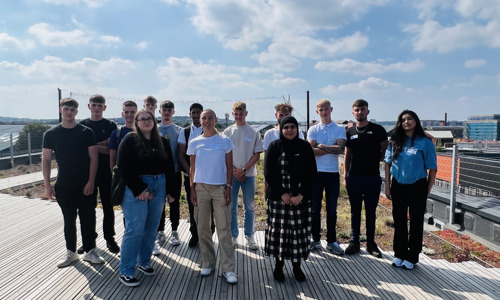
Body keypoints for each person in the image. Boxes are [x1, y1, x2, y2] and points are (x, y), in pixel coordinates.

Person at [42, 98, 104, 268]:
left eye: (72, 110)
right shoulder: (51, 134)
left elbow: (94, 158)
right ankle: (71, 253)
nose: (69, 112)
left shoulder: (86, 132)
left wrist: (91, 181)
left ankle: (91, 251)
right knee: (69, 219)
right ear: (61, 110)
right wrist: (48, 185)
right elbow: (46, 160)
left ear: (77, 111)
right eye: (66, 109)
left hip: (85, 183)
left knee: (88, 218)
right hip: (64, 184)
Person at [117, 109, 176, 286]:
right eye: (142, 119)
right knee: (135, 229)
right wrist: (139, 189)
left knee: (151, 228)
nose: (146, 121)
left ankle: (143, 262)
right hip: (137, 186)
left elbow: (169, 167)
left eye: (149, 118)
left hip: (159, 185)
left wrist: (171, 191)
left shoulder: (162, 142)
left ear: (154, 120)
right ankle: (126, 270)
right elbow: (123, 166)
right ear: (136, 122)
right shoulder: (130, 140)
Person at [187, 109, 237, 284]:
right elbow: (192, 168)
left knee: (224, 229)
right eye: (204, 118)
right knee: (202, 228)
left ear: (215, 120)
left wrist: (229, 187)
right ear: (200, 121)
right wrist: (192, 189)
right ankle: (208, 262)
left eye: (210, 118)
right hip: (200, 188)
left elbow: (230, 167)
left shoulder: (225, 141)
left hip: (220, 188)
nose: (207, 121)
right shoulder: (195, 142)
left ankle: (228, 269)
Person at [264, 116, 317, 282]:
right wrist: (282, 193)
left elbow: (311, 173)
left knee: (298, 235)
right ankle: (278, 267)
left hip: (299, 199)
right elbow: (268, 173)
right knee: (279, 233)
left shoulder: (305, 147)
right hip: (279, 199)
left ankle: (297, 267)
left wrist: (301, 194)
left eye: (292, 127)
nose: (289, 130)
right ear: (281, 129)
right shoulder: (274, 146)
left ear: (297, 129)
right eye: (285, 127)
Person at [384, 110, 437, 270]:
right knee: (399, 220)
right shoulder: (394, 141)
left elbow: (432, 169)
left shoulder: (425, 142)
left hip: (417, 186)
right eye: (403, 119)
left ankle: (412, 256)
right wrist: (387, 185)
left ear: (416, 121)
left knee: (415, 221)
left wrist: (427, 190)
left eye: (410, 119)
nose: (406, 122)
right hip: (398, 185)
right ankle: (399, 254)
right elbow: (387, 164)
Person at [343, 99, 388, 258]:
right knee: (355, 211)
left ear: (367, 111)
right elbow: (347, 154)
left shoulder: (378, 129)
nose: (360, 112)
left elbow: (385, 150)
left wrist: (376, 159)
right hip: (354, 177)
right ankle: (354, 241)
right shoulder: (349, 132)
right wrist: (344, 175)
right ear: (353, 112)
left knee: (371, 211)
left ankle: (371, 243)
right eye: (357, 110)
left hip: (372, 178)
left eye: (362, 109)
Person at [79, 94, 119, 254]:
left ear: (104, 107)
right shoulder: (82, 125)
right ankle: (89, 240)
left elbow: (112, 149)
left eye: (99, 105)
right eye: (94, 105)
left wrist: (92, 146)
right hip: (88, 174)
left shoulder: (111, 126)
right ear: (89, 106)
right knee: (88, 208)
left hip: (106, 172)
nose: (97, 108)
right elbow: (81, 149)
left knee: (108, 208)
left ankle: (110, 238)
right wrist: (101, 145)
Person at [307, 99, 346, 255]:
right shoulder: (313, 129)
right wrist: (331, 148)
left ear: (331, 109)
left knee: (332, 210)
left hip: (332, 174)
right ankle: (315, 239)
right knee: (315, 209)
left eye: (326, 109)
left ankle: (331, 241)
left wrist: (321, 146)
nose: (324, 112)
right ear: (317, 112)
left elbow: (341, 148)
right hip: (315, 174)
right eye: (321, 110)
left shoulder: (339, 128)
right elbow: (310, 150)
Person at [223, 101, 264, 249]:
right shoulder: (227, 132)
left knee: (250, 207)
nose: (239, 116)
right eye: (236, 114)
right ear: (233, 114)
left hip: (249, 175)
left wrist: (244, 170)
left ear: (246, 113)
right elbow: (224, 154)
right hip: (232, 175)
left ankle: (250, 236)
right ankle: (234, 235)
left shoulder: (253, 132)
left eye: (241, 113)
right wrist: (235, 170)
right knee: (232, 206)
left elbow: (257, 155)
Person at [178, 103, 214, 247]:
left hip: (207, 177)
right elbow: (181, 154)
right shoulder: (185, 132)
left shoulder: (210, 131)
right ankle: (195, 234)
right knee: (192, 205)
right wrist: (190, 171)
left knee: (209, 205)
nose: (195, 115)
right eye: (193, 112)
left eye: (198, 112)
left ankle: (209, 234)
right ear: (190, 114)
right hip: (190, 176)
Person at [154, 100, 183, 255]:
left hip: (175, 172)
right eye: (164, 109)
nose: (166, 112)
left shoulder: (179, 130)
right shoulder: (154, 129)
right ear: (160, 111)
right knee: (159, 203)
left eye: (169, 109)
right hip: (158, 174)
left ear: (173, 111)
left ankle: (174, 230)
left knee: (174, 202)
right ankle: (160, 231)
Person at [109, 100, 137, 171]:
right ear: (123, 114)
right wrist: (114, 175)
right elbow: (112, 158)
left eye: (132, 112)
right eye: (126, 112)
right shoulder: (116, 133)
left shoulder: (143, 132)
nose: (129, 114)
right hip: (123, 173)